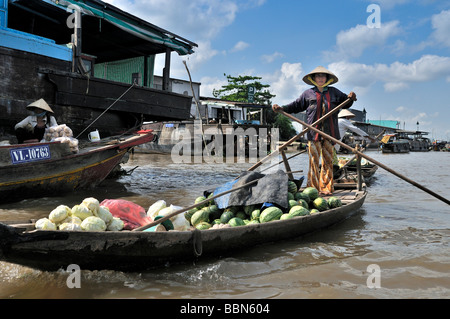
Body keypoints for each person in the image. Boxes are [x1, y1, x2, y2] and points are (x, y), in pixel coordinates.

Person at [272, 66, 357, 195]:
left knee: (328, 162)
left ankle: (327, 188)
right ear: (314, 79)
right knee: (314, 162)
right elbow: (295, 105)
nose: (320, 78)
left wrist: (351, 97)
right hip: (313, 132)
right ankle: (313, 188)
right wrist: (281, 108)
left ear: (327, 79)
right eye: (318, 76)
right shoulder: (308, 94)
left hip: (330, 133)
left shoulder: (334, 92)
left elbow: (346, 102)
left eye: (323, 76)